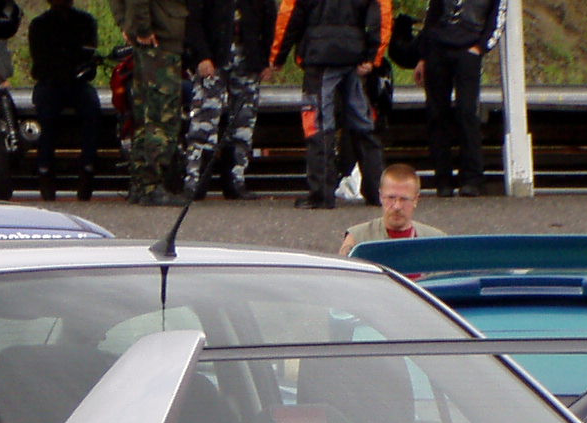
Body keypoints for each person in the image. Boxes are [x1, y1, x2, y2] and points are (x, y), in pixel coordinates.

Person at [271, 0, 384, 208]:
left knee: (318, 123)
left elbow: (289, 17)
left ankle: (321, 194)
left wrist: (278, 57)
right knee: (363, 122)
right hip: (354, 55)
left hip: (319, 55)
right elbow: (380, 14)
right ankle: (377, 191)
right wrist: (373, 56)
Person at [183, 0, 272, 198]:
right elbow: (192, 20)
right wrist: (201, 56)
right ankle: (195, 181)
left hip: (249, 57)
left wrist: (266, 59)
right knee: (204, 121)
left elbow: (269, 18)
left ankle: (235, 181)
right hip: (213, 56)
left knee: (243, 122)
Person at [415, 0, 502, 196]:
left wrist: (480, 48)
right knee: (436, 114)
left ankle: (472, 178)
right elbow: (432, 15)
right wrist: (423, 56)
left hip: (468, 49)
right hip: (438, 49)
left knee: (466, 112)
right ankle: (443, 179)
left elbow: (497, 18)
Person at [109, 0, 189, 204]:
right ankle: (151, 184)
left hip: (150, 42)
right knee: (161, 117)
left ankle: (140, 184)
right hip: (160, 41)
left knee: (144, 118)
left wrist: (127, 24)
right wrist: (141, 28)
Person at [28, 0, 98, 200]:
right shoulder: (39, 24)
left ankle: (88, 168)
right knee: (46, 115)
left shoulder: (85, 21)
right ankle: (45, 170)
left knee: (92, 108)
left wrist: (80, 70)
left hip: (78, 82)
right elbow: (40, 60)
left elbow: (89, 55)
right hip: (50, 81)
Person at [337, 160, 443, 251]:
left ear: (415, 200)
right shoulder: (357, 239)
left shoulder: (437, 241)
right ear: (381, 196)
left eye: (404, 199)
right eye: (391, 198)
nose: (397, 206)